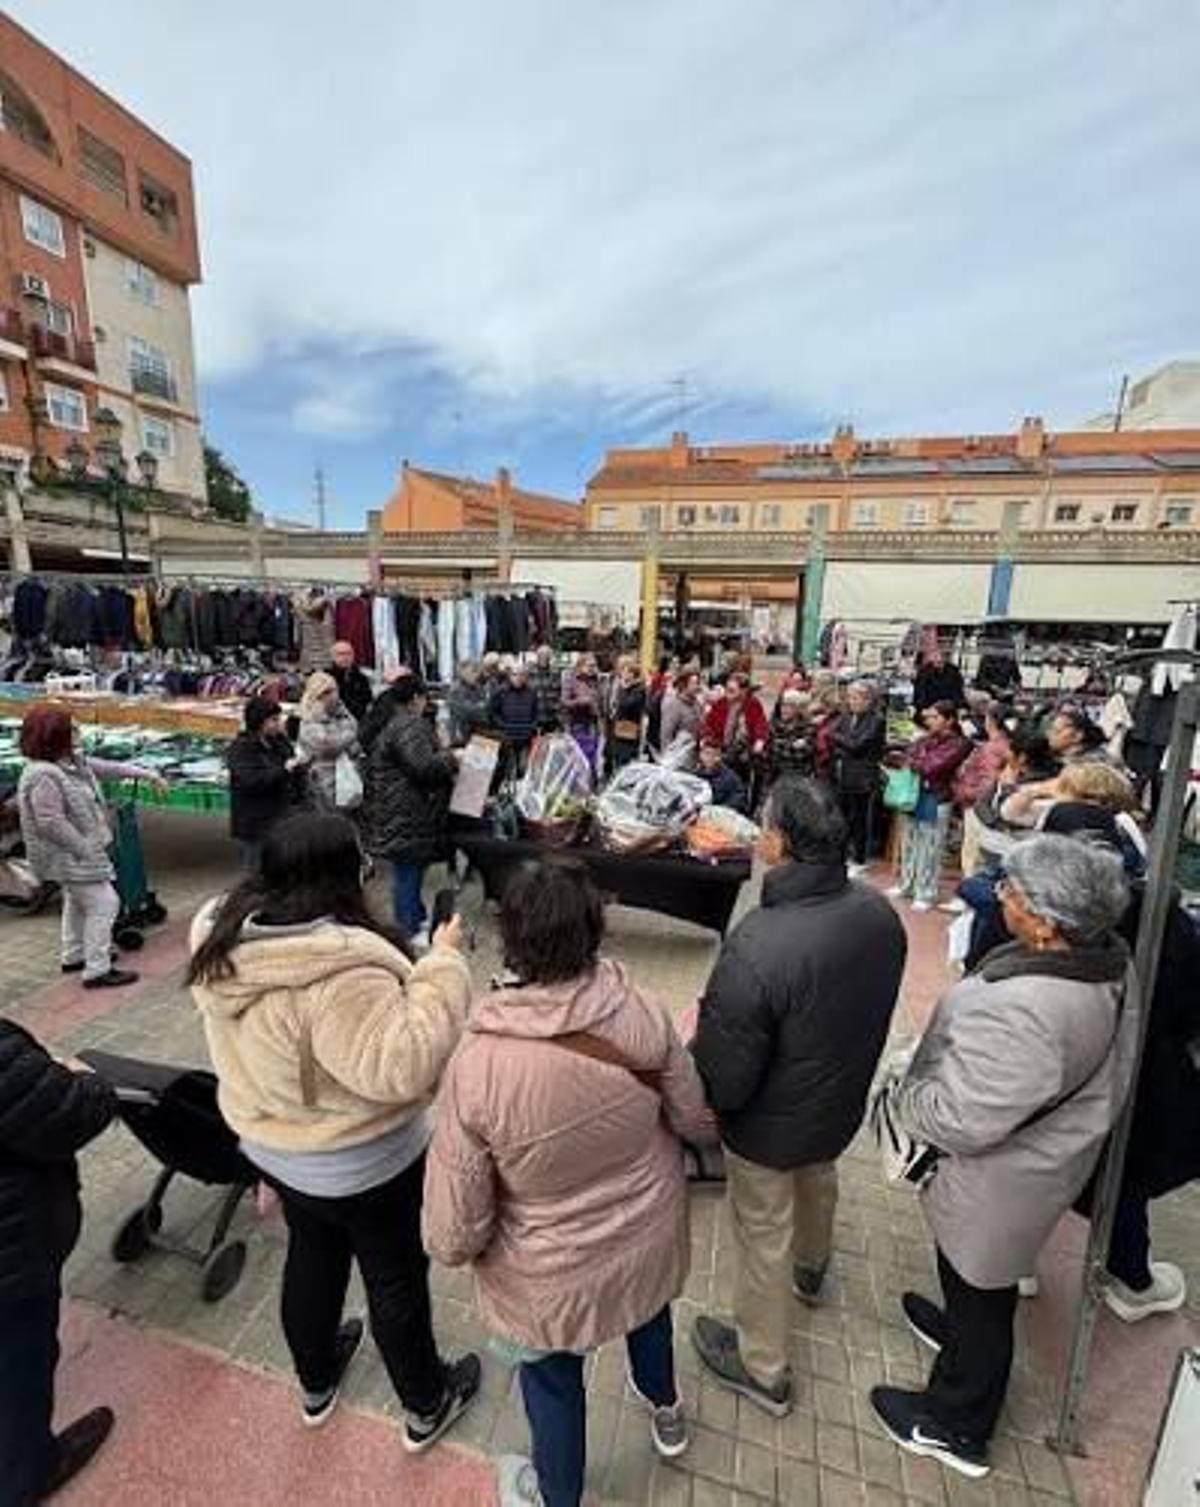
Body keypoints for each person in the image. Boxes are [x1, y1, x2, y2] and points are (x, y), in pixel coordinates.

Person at [423, 859, 713, 1507]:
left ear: (512, 939)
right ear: (595, 928)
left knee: (553, 1381)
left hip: (546, 1268)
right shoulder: (640, 1007)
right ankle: (666, 1410)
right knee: (648, 1316)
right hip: (645, 1230)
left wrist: (455, 1247)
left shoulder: (479, 1063)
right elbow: (694, 1117)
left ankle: (558, 1495)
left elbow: (454, 1223)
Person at [187, 813, 480, 1452]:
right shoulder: (338, 972)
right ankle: (426, 1403)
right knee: (394, 1276)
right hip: (362, 1161)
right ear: (339, 876)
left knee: (313, 1256)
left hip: (280, 1149)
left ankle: (317, 1382)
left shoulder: (224, 938)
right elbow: (403, 1064)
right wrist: (446, 964)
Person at [874, 836, 1138, 1479]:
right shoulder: (1105, 958)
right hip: (1028, 1167)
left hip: (1002, 1181)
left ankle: (956, 1425)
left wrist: (903, 1090)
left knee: (984, 1290)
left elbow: (963, 1120)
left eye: (1012, 893)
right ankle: (959, 1337)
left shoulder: (1035, 1012)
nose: (1001, 898)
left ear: (1047, 923)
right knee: (973, 1284)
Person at [690, 780, 907, 1416]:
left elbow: (726, 1076)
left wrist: (708, 1097)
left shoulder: (760, 940)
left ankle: (763, 1367)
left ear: (780, 842)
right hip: (836, 1101)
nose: (757, 834)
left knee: (762, 1234)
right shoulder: (875, 913)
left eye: (762, 825)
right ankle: (812, 1269)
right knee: (818, 1179)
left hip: (768, 1123)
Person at [0, 1022, 118, 1505]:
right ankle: (27, 1474)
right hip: (11, 1254)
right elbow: (67, 1112)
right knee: (21, 1356)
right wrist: (85, 1079)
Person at [16, 705, 167, 990]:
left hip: (74, 854)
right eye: (72, 729)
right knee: (104, 903)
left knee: (77, 901)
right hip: (71, 855)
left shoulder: (72, 761)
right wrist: (84, 848)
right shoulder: (43, 775)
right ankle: (97, 969)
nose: (78, 733)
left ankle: (73, 955)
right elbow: (50, 822)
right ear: (54, 735)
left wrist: (147, 775)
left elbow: (108, 768)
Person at [366, 676, 459, 943]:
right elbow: (423, 767)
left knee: (409, 868)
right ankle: (407, 929)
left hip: (397, 807)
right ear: (417, 698)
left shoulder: (394, 721)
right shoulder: (409, 724)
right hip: (405, 809)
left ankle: (415, 916)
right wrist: (451, 757)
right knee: (408, 869)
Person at [888, 701, 971, 911]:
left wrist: (914, 761)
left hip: (937, 796)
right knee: (910, 841)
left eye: (935, 717)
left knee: (930, 847)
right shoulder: (924, 739)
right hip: (914, 794)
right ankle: (907, 885)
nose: (929, 721)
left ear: (949, 720)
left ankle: (926, 892)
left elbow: (933, 767)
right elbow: (907, 756)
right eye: (929, 717)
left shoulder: (959, 743)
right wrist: (915, 760)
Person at [226, 695, 305, 870]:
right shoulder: (241, 748)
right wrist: (284, 770)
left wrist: (298, 769)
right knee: (257, 872)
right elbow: (251, 781)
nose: (278, 723)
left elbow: (292, 769)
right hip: (256, 822)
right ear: (259, 721)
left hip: (282, 817)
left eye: (278, 719)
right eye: (273, 720)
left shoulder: (279, 741)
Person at [951, 704, 1013, 883]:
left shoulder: (992, 748)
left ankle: (969, 899)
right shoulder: (1008, 745)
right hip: (989, 805)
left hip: (978, 806)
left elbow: (988, 779)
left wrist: (966, 792)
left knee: (973, 854)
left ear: (991, 722)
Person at [829, 681, 886, 875]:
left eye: (856, 698)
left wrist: (839, 739)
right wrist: (842, 742)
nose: (851, 701)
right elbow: (838, 739)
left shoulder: (876, 720)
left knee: (859, 819)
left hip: (862, 776)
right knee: (843, 817)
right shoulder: (846, 717)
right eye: (850, 697)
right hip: (844, 773)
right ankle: (842, 855)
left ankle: (860, 858)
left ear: (867, 700)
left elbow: (858, 745)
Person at [701, 673, 770, 804]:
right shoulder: (721, 703)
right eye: (727, 689)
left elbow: (760, 724)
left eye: (732, 690)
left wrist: (759, 741)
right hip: (722, 751)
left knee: (741, 783)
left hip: (743, 754)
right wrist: (705, 737)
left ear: (743, 691)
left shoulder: (752, 704)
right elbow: (708, 723)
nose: (727, 693)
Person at [296, 671, 360, 810]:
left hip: (347, 774)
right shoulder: (310, 718)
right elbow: (327, 745)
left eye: (335, 690)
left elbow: (354, 728)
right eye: (329, 691)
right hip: (323, 780)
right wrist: (349, 736)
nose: (335, 695)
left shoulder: (340, 710)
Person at [489, 664, 541, 779]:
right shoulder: (500, 692)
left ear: (526, 676)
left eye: (522, 675)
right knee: (509, 773)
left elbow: (536, 712)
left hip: (525, 736)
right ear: (509, 676)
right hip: (507, 737)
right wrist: (502, 726)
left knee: (524, 770)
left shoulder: (531, 692)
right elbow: (493, 713)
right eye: (515, 674)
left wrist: (532, 726)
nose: (518, 678)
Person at [561, 654, 603, 776]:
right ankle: (579, 783)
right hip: (577, 723)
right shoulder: (571, 678)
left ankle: (591, 783)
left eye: (594, 665)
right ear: (580, 666)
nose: (593, 668)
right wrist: (580, 701)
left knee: (593, 754)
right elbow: (564, 701)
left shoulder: (597, 680)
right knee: (579, 755)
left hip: (593, 723)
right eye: (590, 665)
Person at [768, 690, 816, 786]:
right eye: (783, 705)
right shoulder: (774, 725)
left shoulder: (807, 726)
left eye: (789, 706)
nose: (784, 709)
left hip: (798, 778)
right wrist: (792, 744)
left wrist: (781, 743)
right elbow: (771, 748)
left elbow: (802, 754)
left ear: (797, 709)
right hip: (775, 776)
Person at [1046, 706, 1119, 767]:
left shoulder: (1093, 765)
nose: (1049, 734)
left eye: (1056, 731)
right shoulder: (1067, 761)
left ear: (1077, 736)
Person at [607, 660, 647, 770]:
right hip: (618, 730)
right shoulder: (622, 687)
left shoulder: (638, 689)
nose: (623, 675)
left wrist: (624, 690)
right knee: (617, 759)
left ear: (633, 674)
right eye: (623, 671)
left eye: (627, 672)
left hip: (629, 732)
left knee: (625, 762)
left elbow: (626, 705)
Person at [447, 661, 491, 747]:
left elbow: (486, 710)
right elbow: (466, 711)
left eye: (476, 671)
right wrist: (479, 706)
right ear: (463, 673)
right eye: (473, 671)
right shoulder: (456, 689)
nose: (476, 674)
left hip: (478, 732)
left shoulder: (478, 687)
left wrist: (479, 707)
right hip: (460, 735)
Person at [328, 640, 374, 724]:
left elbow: (367, 700)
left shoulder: (361, 678)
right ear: (333, 657)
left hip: (358, 721)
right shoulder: (326, 678)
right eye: (341, 654)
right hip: (333, 722)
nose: (345, 657)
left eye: (349, 654)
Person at [697, 739, 748, 813]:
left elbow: (738, 799)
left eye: (713, 755)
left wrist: (721, 809)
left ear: (718, 757)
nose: (709, 758)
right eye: (706, 754)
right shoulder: (695, 775)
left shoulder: (730, 778)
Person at [659, 670, 703, 755]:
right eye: (694, 683)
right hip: (677, 755)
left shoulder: (697, 704)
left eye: (698, 683)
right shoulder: (674, 705)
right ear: (683, 685)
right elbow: (666, 735)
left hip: (693, 755)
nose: (697, 686)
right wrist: (667, 757)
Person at [913, 647, 966, 716]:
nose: (939, 659)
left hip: (950, 706)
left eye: (942, 656)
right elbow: (920, 694)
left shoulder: (953, 671)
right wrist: (927, 707)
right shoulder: (924, 672)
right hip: (930, 706)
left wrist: (954, 704)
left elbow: (958, 692)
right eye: (936, 656)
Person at [529, 646, 564, 733]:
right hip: (534, 716)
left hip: (551, 717)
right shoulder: (530, 672)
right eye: (541, 655)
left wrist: (559, 715)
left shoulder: (555, 672)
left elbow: (559, 694)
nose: (544, 658)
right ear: (537, 656)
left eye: (547, 656)